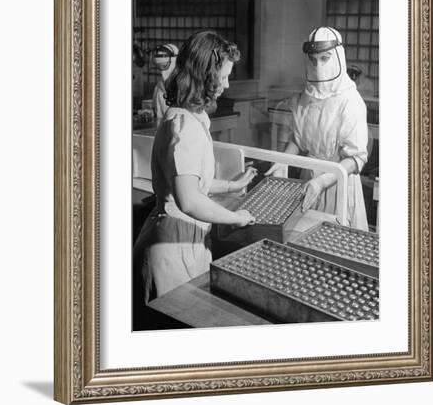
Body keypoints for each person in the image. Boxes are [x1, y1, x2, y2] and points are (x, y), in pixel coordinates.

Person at [134, 31, 257, 303]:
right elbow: (189, 200)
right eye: (222, 77)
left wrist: (230, 185)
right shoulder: (184, 127)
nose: (226, 85)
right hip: (170, 245)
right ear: (204, 76)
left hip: (184, 238)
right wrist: (236, 217)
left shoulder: (189, 116)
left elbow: (189, 180)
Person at [266, 26, 369, 230]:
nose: (318, 66)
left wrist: (322, 182)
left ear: (338, 57)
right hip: (309, 182)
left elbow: (356, 159)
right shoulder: (306, 96)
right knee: (304, 240)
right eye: (313, 60)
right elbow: (298, 140)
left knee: (335, 244)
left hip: (338, 183)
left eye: (325, 58)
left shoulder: (350, 101)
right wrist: (283, 162)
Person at [151, 43, 179, 121]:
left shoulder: (183, 85)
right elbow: (155, 110)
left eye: (164, 66)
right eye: (159, 66)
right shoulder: (158, 87)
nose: (162, 71)